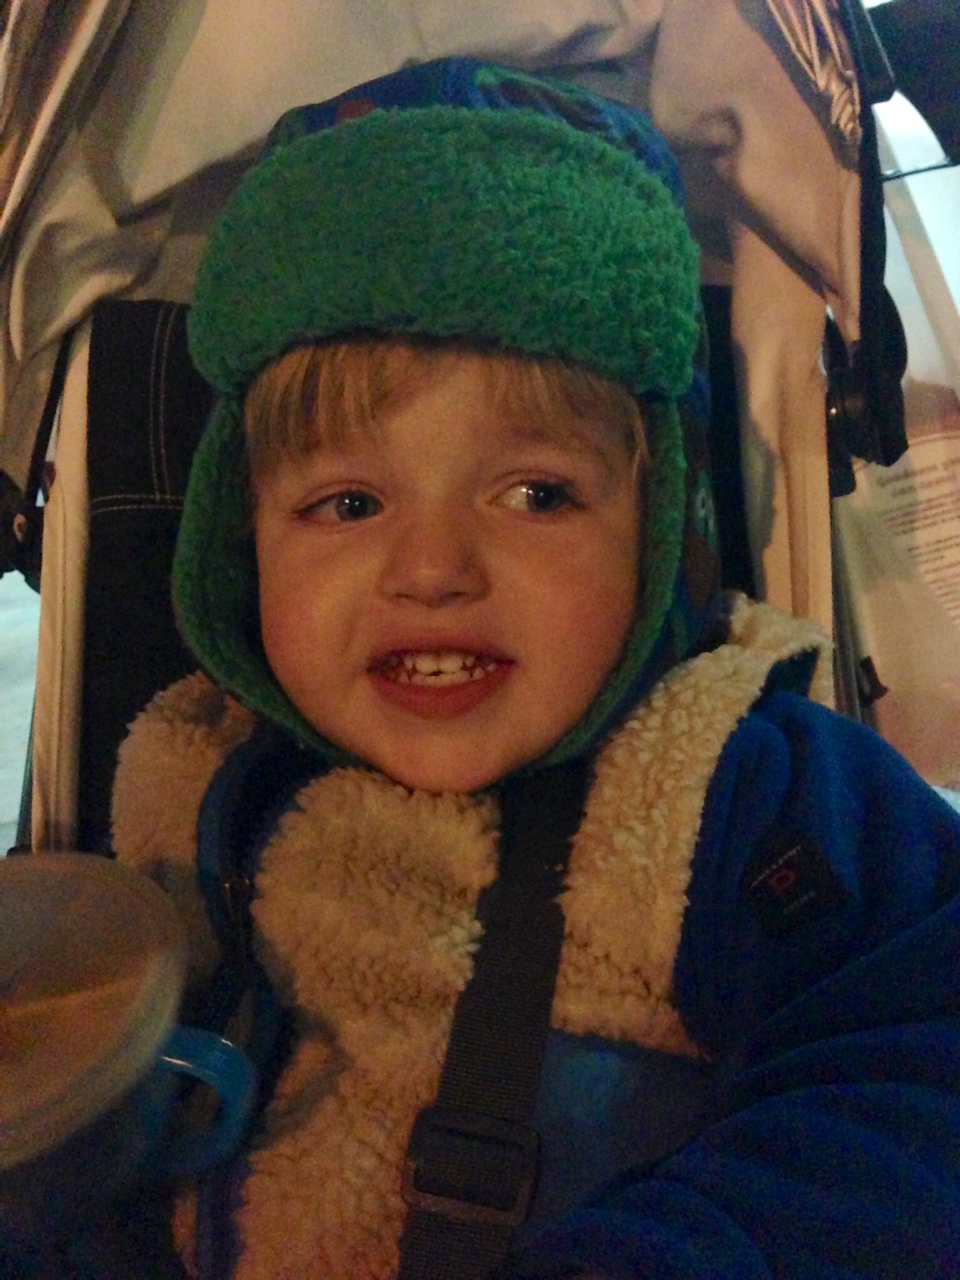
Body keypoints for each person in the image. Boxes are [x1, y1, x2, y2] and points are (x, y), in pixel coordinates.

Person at [111, 59, 960, 1280]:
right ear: (241, 544)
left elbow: (921, 1062)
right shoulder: (192, 773)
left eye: (536, 494)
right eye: (348, 502)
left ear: (658, 524)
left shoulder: (732, 786)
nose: (433, 569)